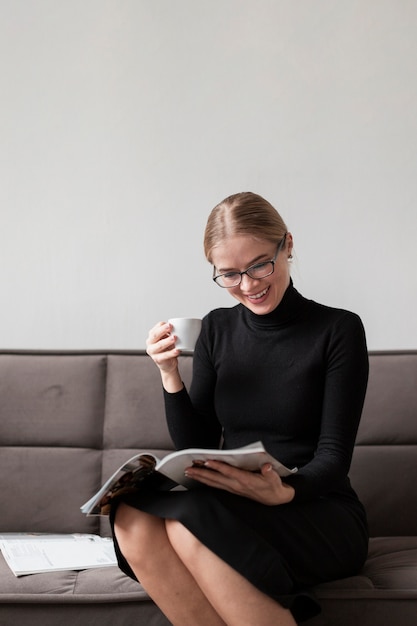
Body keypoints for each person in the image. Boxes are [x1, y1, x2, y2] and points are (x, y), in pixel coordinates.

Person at [111, 192, 369, 625]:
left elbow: (333, 459)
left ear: (287, 245)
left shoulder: (338, 330)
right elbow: (197, 445)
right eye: (229, 274)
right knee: (131, 516)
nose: (248, 285)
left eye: (259, 265)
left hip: (316, 509)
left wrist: (283, 490)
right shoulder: (217, 329)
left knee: (188, 526)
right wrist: (169, 374)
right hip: (233, 504)